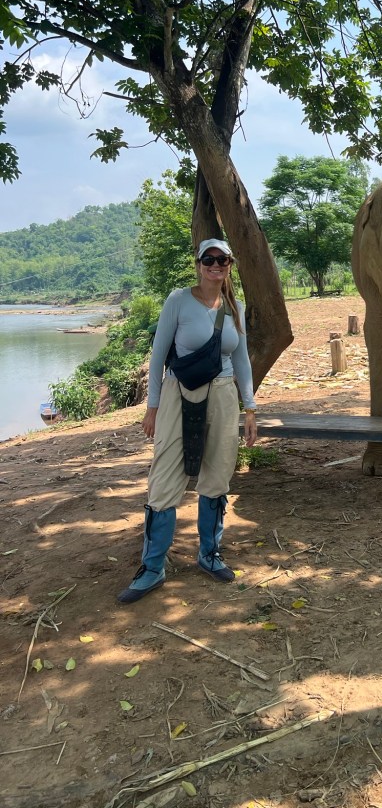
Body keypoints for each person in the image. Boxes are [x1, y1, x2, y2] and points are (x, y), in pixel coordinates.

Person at [117, 239, 258, 604]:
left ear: (230, 265)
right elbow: (158, 356)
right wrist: (152, 407)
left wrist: (250, 408)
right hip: (178, 394)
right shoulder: (178, 301)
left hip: (223, 395)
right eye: (209, 259)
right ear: (198, 264)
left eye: (222, 259)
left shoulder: (235, 307)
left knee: (217, 473)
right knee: (164, 476)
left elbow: (241, 361)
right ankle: (152, 567)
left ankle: (209, 554)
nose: (215, 264)